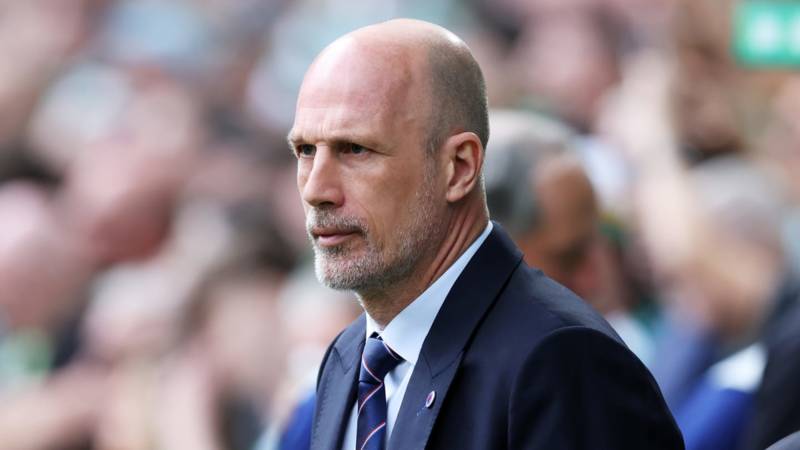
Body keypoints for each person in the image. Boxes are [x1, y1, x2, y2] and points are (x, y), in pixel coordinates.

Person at [288, 19, 683, 450]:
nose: (316, 189)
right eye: (305, 150)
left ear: (459, 167)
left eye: (355, 149)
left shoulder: (563, 360)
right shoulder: (349, 358)